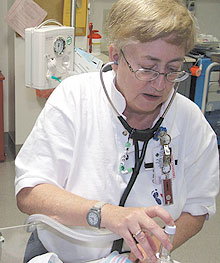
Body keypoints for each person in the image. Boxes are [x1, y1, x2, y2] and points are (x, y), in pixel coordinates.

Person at [15, 0, 219, 263]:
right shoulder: (75, 98)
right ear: (115, 57)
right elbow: (30, 193)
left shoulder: (191, 122)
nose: (159, 84)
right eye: (147, 67)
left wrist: (152, 249)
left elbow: (198, 207)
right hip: (63, 255)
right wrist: (105, 214)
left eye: (172, 70)